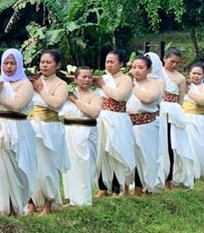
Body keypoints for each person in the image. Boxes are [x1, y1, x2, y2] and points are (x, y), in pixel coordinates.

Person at [0, 48, 36, 216]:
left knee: (17, 169)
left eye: (12, 63)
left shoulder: (25, 84)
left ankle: (14, 207)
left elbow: (17, 105)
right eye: (6, 63)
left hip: (17, 129)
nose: (9, 67)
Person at [28, 49, 69, 215]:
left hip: (49, 127)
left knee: (47, 167)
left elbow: (56, 105)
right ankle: (31, 202)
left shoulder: (61, 84)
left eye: (48, 62)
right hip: (31, 125)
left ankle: (47, 203)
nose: (44, 65)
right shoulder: (32, 81)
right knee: (31, 165)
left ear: (57, 65)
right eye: (42, 62)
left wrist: (41, 89)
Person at [96, 49, 136, 195]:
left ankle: (118, 187)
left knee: (116, 150)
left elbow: (119, 96)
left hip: (118, 118)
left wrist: (103, 86)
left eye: (112, 62)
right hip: (101, 117)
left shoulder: (126, 79)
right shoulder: (102, 77)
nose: (109, 65)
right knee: (101, 152)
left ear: (121, 64)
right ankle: (102, 187)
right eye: (107, 61)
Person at [60, 66, 101, 206]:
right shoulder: (67, 94)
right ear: (76, 78)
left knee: (85, 166)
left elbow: (94, 112)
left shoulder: (95, 96)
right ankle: (73, 199)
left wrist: (76, 101)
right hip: (69, 131)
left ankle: (84, 199)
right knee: (70, 166)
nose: (87, 79)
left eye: (89, 77)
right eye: (84, 77)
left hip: (87, 132)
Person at [127, 54, 165, 194]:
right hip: (129, 124)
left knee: (147, 156)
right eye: (134, 67)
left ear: (149, 69)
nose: (136, 70)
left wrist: (132, 87)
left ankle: (147, 186)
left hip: (147, 125)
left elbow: (149, 98)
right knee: (131, 157)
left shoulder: (155, 84)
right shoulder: (127, 82)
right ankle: (133, 187)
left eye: (141, 67)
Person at [161, 48, 199, 189]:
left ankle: (168, 179)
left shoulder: (180, 78)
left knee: (171, 145)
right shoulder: (157, 73)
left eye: (177, 62)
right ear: (164, 58)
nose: (174, 65)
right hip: (157, 110)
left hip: (172, 113)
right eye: (172, 61)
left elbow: (181, 100)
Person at [182, 63, 204, 180]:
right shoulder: (183, 85)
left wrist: (188, 91)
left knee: (199, 146)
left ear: (203, 75)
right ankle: (187, 172)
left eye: (199, 74)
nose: (196, 76)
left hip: (199, 120)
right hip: (184, 118)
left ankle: (200, 170)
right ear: (189, 74)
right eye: (194, 73)